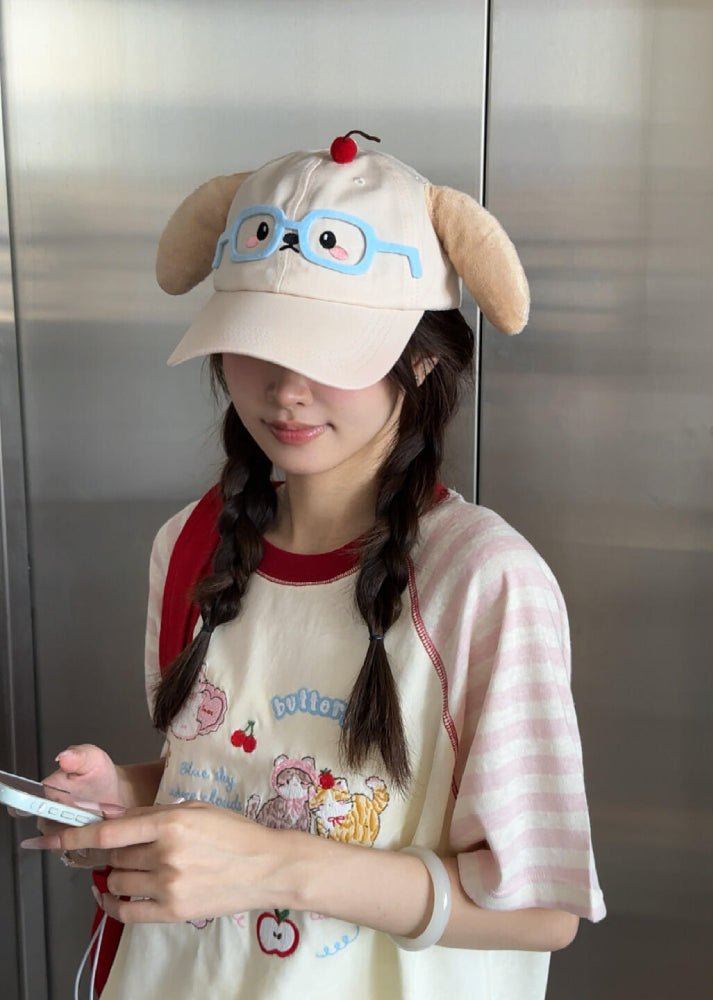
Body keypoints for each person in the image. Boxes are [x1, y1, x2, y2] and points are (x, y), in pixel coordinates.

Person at [20, 136, 606, 999]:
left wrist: (273, 868)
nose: (287, 387)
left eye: (333, 348)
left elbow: (539, 909)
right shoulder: (190, 543)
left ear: (421, 357)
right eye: (258, 339)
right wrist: (128, 797)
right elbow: (233, 780)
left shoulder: (484, 580)